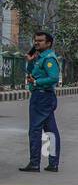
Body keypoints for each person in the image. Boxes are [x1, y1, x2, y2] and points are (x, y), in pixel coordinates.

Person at [19, 31, 61, 174]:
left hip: (42, 97)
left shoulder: (49, 58)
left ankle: (34, 163)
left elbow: (54, 77)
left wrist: (37, 82)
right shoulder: (39, 57)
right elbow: (31, 73)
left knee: (35, 131)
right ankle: (53, 164)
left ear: (48, 43)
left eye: (40, 41)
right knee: (51, 131)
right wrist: (30, 62)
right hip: (43, 97)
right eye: (35, 40)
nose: (37, 43)